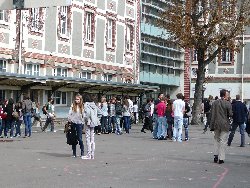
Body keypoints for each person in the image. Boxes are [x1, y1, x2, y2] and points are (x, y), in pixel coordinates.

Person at [210, 89, 232, 164]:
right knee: (223, 141)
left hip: (216, 123)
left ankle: (215, 155)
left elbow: (212, 114)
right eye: (227, 94)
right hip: (224, 124)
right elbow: (230, 114)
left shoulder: (214, 103)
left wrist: (211, 125)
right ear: (225, 95)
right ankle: (221, 158)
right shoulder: (228, 103)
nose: (228, 96)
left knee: (216, 139)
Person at [82, 94, 101, 159]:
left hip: (88, 122)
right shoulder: (94, 105)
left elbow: (87, 114)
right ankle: (92, 154)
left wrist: (86, 119)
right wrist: (96, 119)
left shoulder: (86, 105)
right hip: (94, 123)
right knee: (92, 138)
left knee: (88, 138)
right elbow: (100, 113)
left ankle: (88, 154)